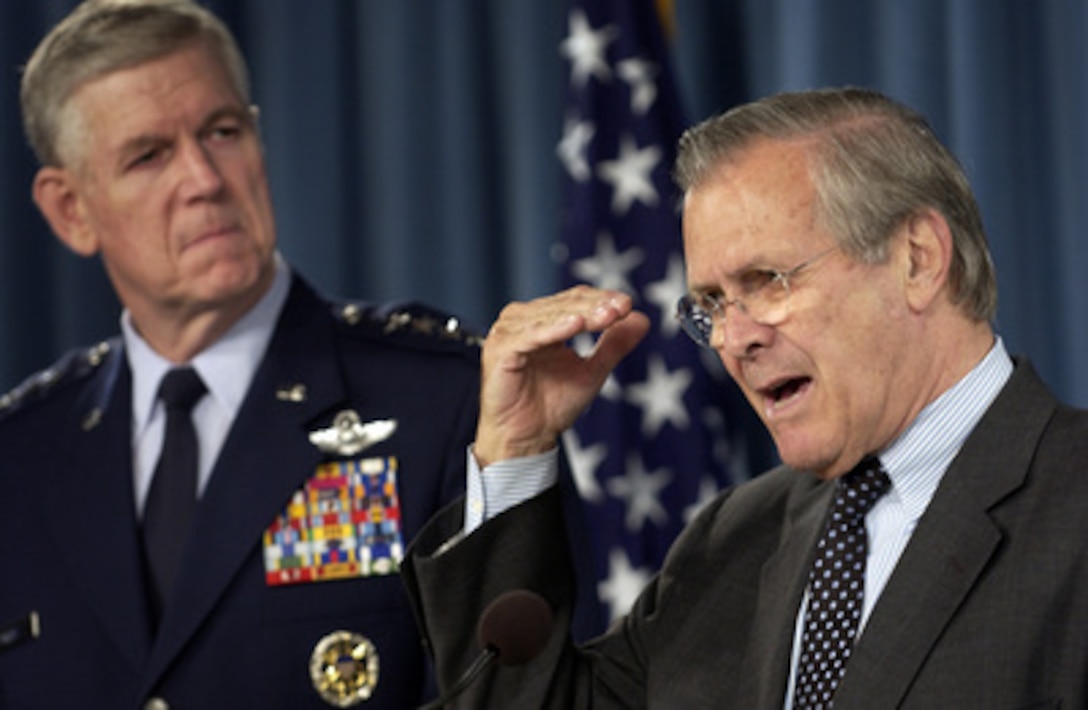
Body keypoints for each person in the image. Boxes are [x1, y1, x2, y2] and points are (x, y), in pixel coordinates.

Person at [401, 86, 1088, 708]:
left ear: (917, 259)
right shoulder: (731, 539)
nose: (734, 338)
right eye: (711, 303)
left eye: (768, 280)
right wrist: (516, 450)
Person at [0, 1, 521, 707]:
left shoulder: (446, 404)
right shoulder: (19, 459)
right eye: (149, 156)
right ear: (71, 210)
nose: (205, 180)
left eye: (221, 132)